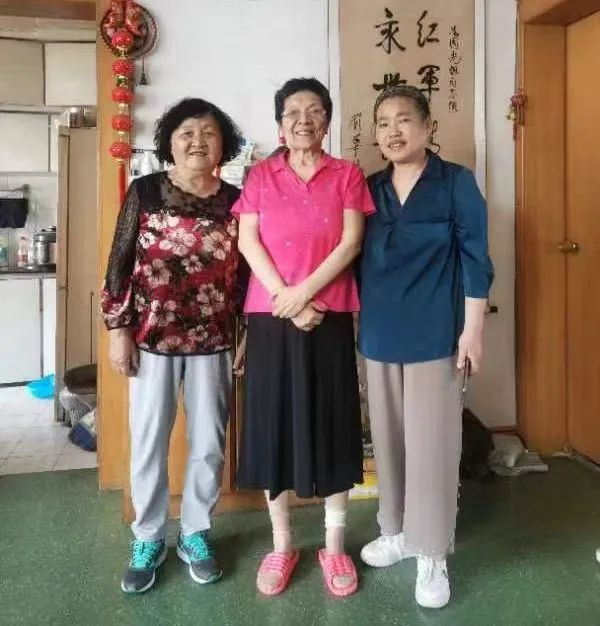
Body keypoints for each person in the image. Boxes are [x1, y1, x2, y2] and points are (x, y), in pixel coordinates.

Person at [232, 77, 375, 597]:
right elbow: (248, 240)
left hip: (328, 312)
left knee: (332, 419)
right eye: (292, 112)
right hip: (271, 315)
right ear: (279, 124)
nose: (303, 120)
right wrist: (286, 299)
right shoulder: (260, 176)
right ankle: (282, 543)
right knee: (273, 421)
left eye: (314, 110)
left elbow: (351, 242)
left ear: (327, 121)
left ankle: (334, 545)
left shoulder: (347, 174)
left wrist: (305, 295)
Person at [101, 98, 245, 594]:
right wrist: (118, 329)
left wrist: (245, 334)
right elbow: (119, 264)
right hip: (151, 339)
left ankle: (195, 533)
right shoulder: (145, 192)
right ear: (170, 142)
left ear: (223, 144)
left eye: (208, 132)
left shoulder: (236, 200)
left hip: (214, 339)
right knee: (148, 441)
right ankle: (148, 537)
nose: (197, 141)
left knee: (208, 443)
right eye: (186, 132)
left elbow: (247, 274)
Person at [358, 85, 494, 609]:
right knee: (388, 439)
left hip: (437, 333)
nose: (393, 131)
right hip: (379, 333)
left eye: (404, 120)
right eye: (383, 123)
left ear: (428, 126)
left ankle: (432, 551)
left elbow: (476, 259)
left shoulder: (456, 182)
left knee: (433, 444)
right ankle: (395, 531)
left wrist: (473, 330)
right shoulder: (369, 188)